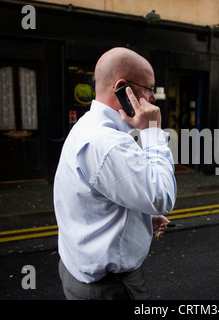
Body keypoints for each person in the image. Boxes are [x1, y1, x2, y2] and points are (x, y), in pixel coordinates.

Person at [54, 47, 177, 300]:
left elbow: (99, 198)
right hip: (110, 289)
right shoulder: (109, 143)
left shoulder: (88, 125)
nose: (153, 98)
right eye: (149, 87)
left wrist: (141, 218)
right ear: (123, 88)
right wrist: (153, 132)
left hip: (78, 270)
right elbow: (162, 197)